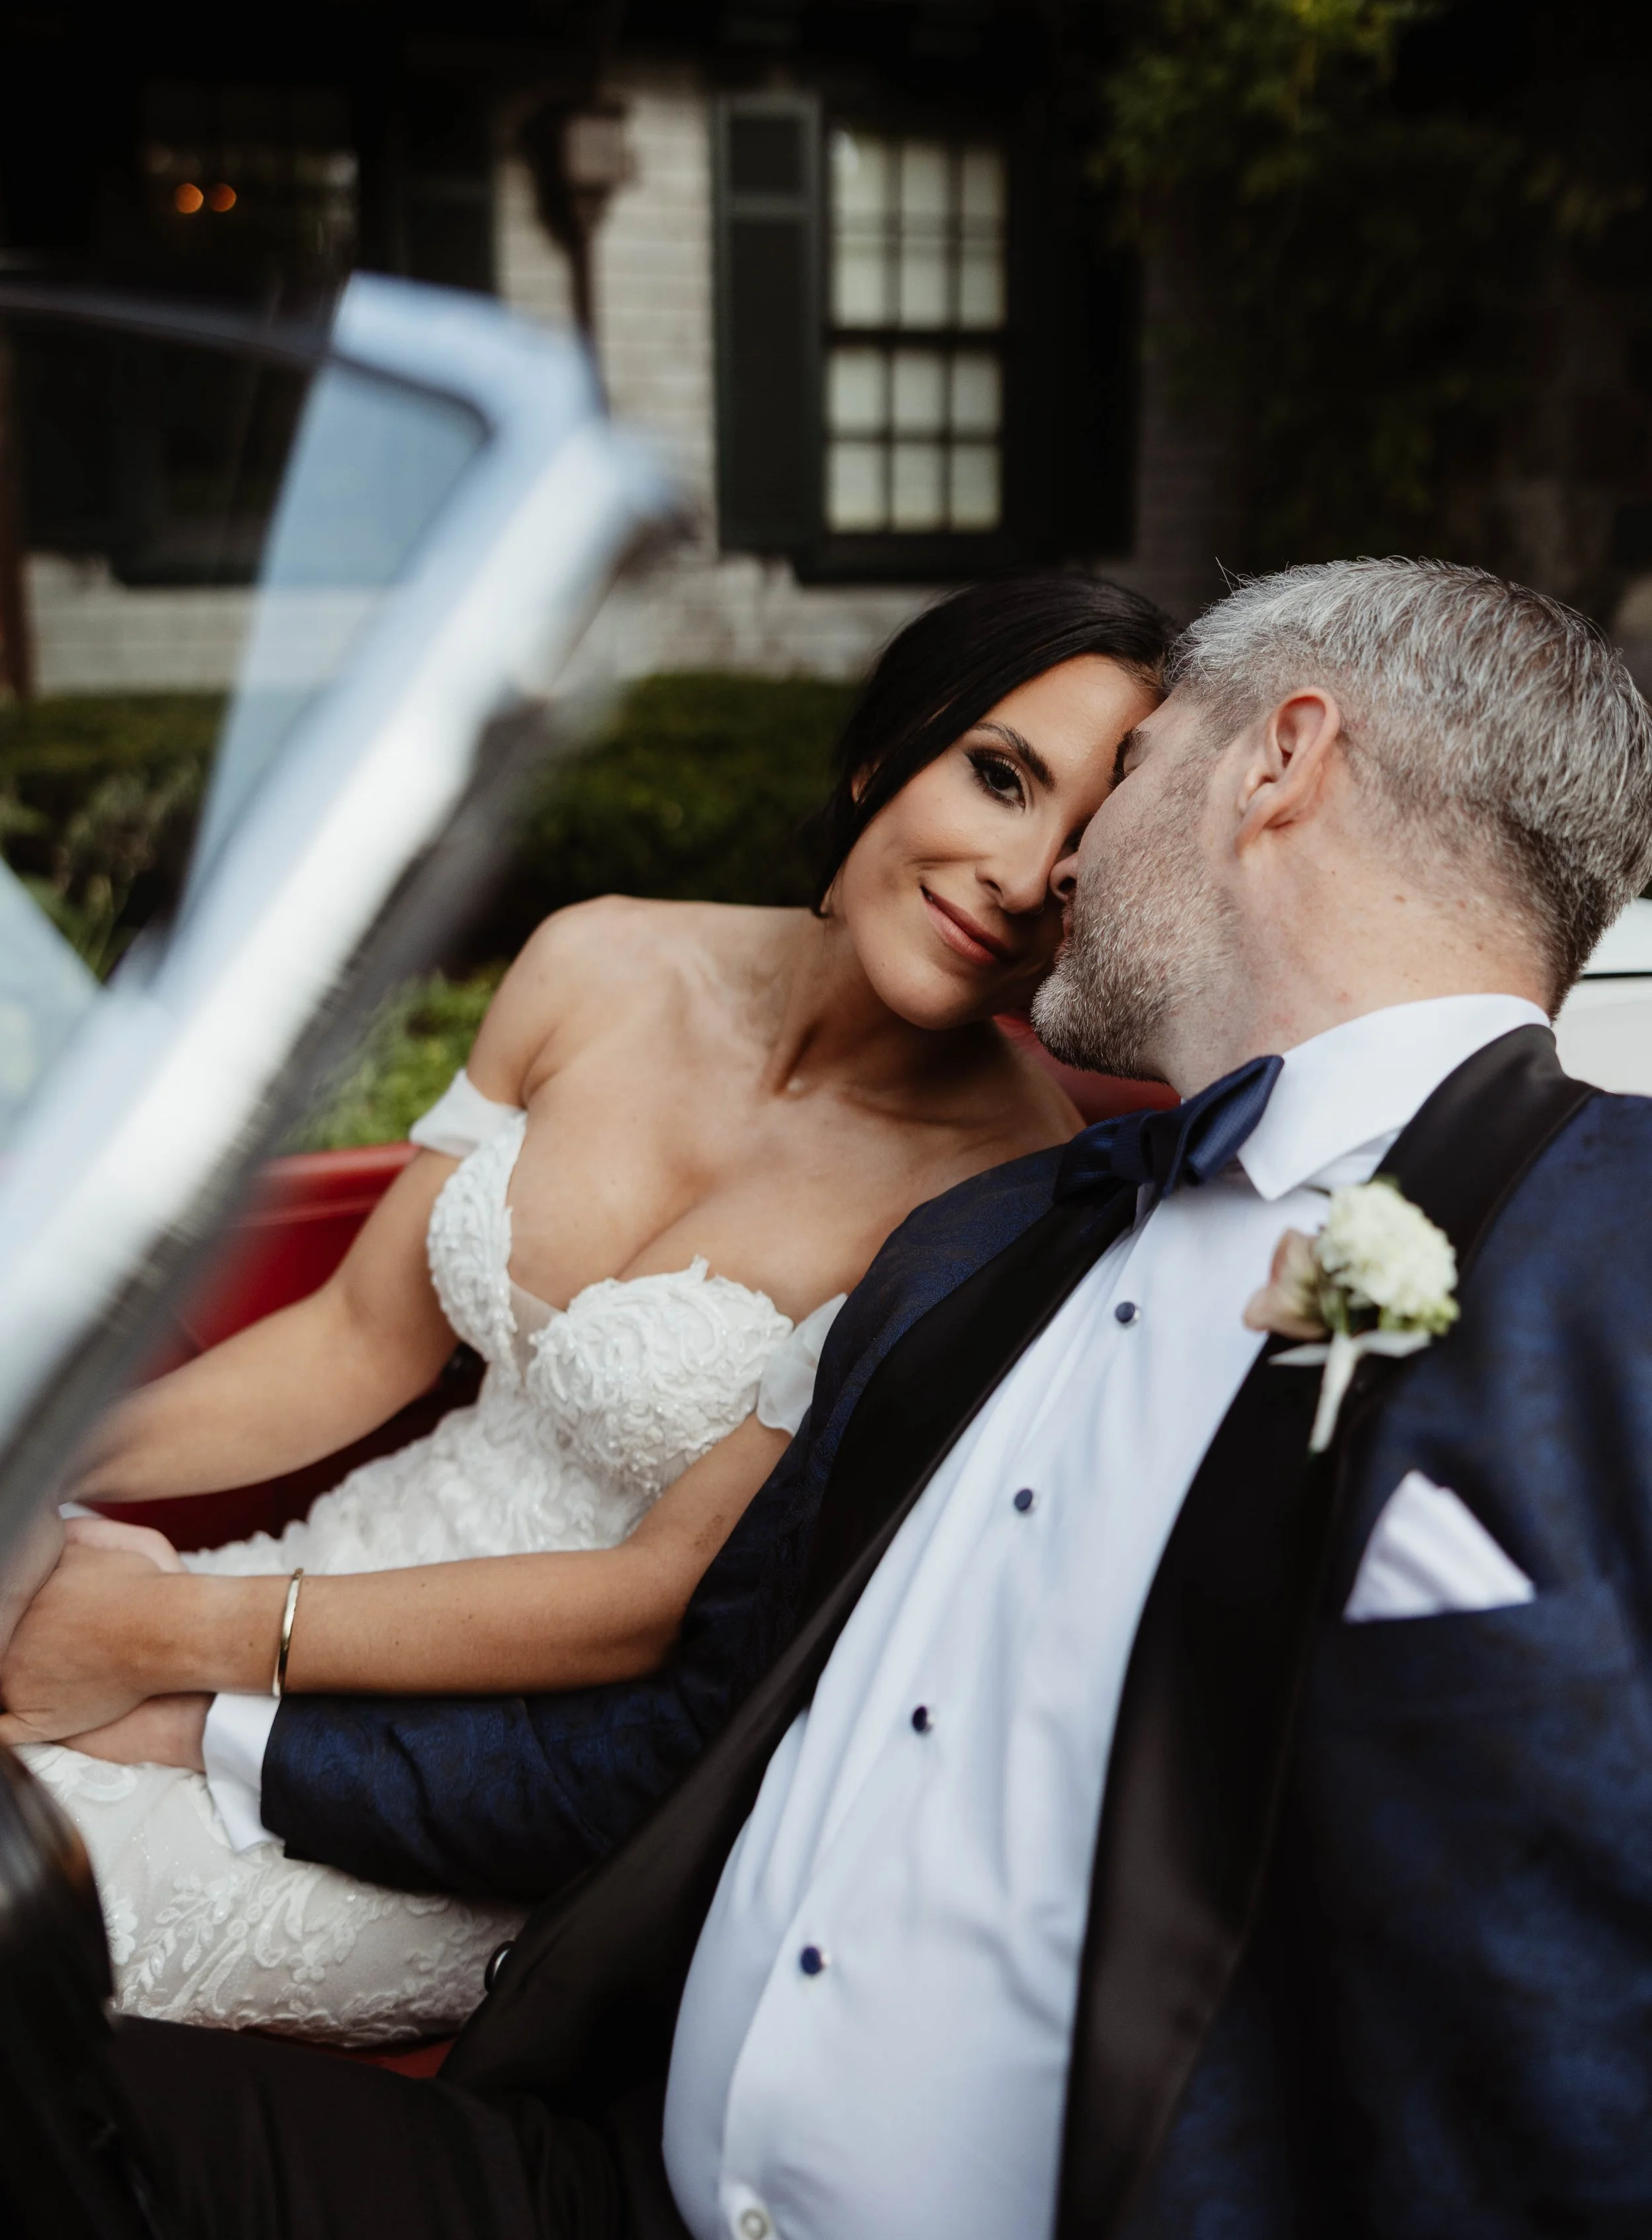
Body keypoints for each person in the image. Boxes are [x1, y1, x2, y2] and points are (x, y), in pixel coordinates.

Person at [73, 554, 1652, 2240]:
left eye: (1126, 773)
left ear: (1275, 764)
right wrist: (192, 1707)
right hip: (601, 2157)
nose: (1058, 862)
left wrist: (177, 1654)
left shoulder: (1585, 1249)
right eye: (1010, 773)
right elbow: (691, 1731)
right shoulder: (998, 1249)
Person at [0, 572, 1168, 2047]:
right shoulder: (597, 955)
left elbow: (647, 1604)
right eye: (998, 778)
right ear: (882, 751)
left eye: (1080, 858)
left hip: (489, 1780)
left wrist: (172, 1637)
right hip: (317, 1562)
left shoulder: (1004, 1193)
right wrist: (34, 1475)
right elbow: (359, 1342)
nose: (1017, 875)